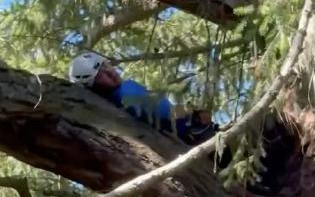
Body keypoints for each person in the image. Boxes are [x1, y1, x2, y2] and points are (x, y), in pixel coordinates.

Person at [68, 50, 229, 159]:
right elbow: (167, 112)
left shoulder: (113, 100)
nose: (109, 73)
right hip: (194, 136)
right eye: (101, 75)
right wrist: (193, 110)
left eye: (106, 66)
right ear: (93, 85)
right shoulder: (127, 92)